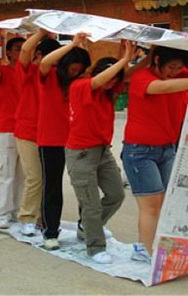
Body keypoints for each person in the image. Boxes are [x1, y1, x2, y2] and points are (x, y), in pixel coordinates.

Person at [121, 45, 188, 263]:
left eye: (179, 67)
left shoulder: (179, 73)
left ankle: (142, 245)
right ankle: (149, 253)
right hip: (140, 151)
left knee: (163, 203)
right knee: (151, 206)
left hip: (166, 149)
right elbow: (162, 88)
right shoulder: (141, 77)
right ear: (156, 61)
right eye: (171, 67)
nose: (175, 72)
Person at [65, 41, 134, 264]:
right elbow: (99, 80)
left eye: (115, 78)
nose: (112, 82)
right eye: (109, 77)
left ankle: (88, 226)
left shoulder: (108, 93)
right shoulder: (80, 86)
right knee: (91, 204)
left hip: (103, 152)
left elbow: (128, 75)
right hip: (81, 153)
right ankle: (95, 247)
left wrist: (145, 56)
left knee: (116, 194)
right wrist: (123, 60)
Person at [38, 33, 91, 250]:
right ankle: (50, 231)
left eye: (80, 69)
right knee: (52, 187)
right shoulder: (48, 76)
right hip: (50, 139)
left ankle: (84, 226)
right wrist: (73, 45)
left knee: (83, 186)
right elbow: (45, 61)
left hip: (77, 140)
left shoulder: (81, 83)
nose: (76, 73)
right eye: (72, 69)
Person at [14, 30, 60, 236]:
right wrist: (41, 31)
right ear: (38, 55)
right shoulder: (28, 71)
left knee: (49, 179)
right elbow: (25, 49)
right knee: (35, 177)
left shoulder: (57, 74)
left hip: (50, 133)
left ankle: (44, 217)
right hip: (28, 131)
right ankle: (27, 217)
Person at [0, 33, 26, 229]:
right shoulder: (2, 71)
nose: (22, 52)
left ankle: (17, 210)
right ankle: (2, 212)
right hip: (5, 127)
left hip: (26, 128)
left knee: (22, 174)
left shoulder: (29, 72)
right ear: (10, 54)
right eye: (18, 49)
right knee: (5, 172)